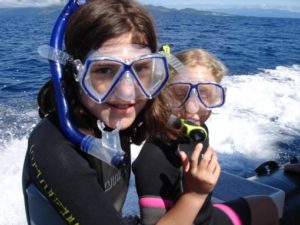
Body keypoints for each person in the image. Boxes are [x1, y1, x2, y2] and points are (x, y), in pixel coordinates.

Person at [22, 1, 170, 225]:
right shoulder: (55, 150)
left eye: (141, 68)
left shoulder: (112, 118)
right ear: (76, 73)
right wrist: (194, 196)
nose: (127, 92)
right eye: (104, 70)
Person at [133, 48, 280, 225]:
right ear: (162, 96)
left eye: (206, 95)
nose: (193, 107)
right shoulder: (152, 158)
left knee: (266, 205)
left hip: (206, 216)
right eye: (180, 93)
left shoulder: (198, 131)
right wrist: (196, 194)